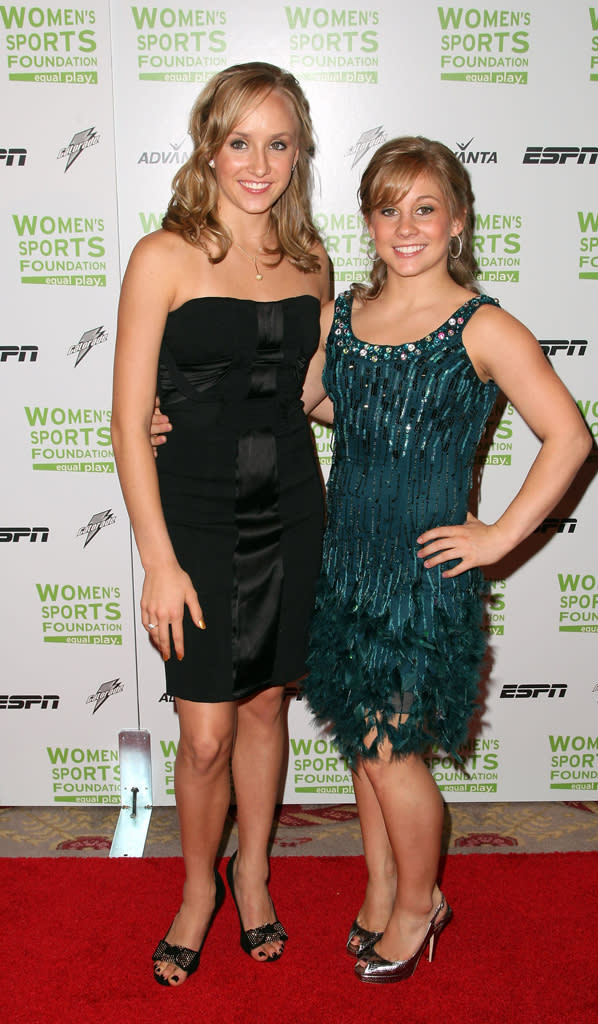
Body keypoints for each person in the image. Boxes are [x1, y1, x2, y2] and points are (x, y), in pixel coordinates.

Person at [299, 136, 593, 983]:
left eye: (424, 207)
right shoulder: (340, 316)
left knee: (391, 752)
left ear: (457, 221)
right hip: (345, 566)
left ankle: (421, 901)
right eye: (387, 208)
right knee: (363, 742)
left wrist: (499, 536)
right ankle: (382, 884)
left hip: (421, 585)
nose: (405, 225)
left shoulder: (484, 325)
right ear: (366, 220)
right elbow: (321, 405)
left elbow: (568, 437)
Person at [111, 62, 330, 987]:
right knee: (202, 734)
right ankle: (197, 886)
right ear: (209, 145)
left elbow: (314, 399)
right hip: (192, 519)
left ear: (298, 155)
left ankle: (253, 873)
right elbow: (128, 421)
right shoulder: (162, 256)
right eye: (240, 140)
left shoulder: (312, 262)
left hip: (289, 507)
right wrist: (158, 562)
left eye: (277, 143)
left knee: (267, 705)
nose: (258, 162)